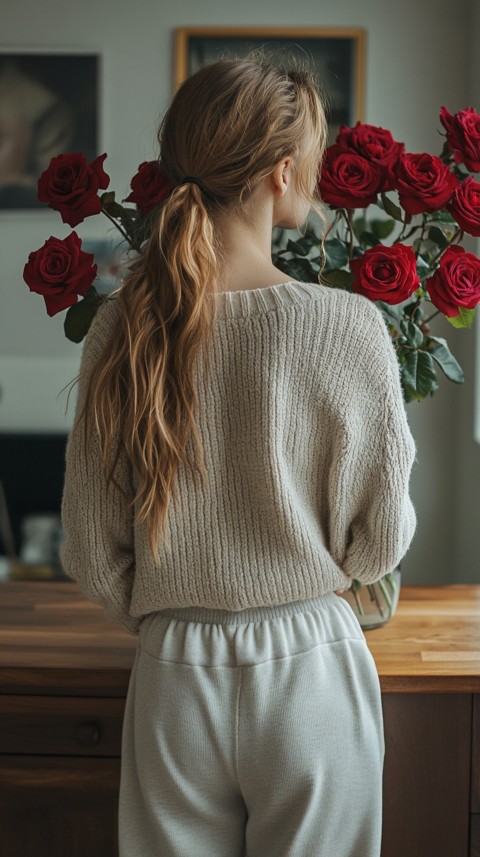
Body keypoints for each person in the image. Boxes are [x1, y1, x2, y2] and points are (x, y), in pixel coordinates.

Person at [59, 54, 417, 857]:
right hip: (310, 665)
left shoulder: (123, 326)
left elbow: (89, 548)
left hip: (172, 665)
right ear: (281, 172)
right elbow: (380, 541)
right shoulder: (349, 326)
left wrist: (172, 612)